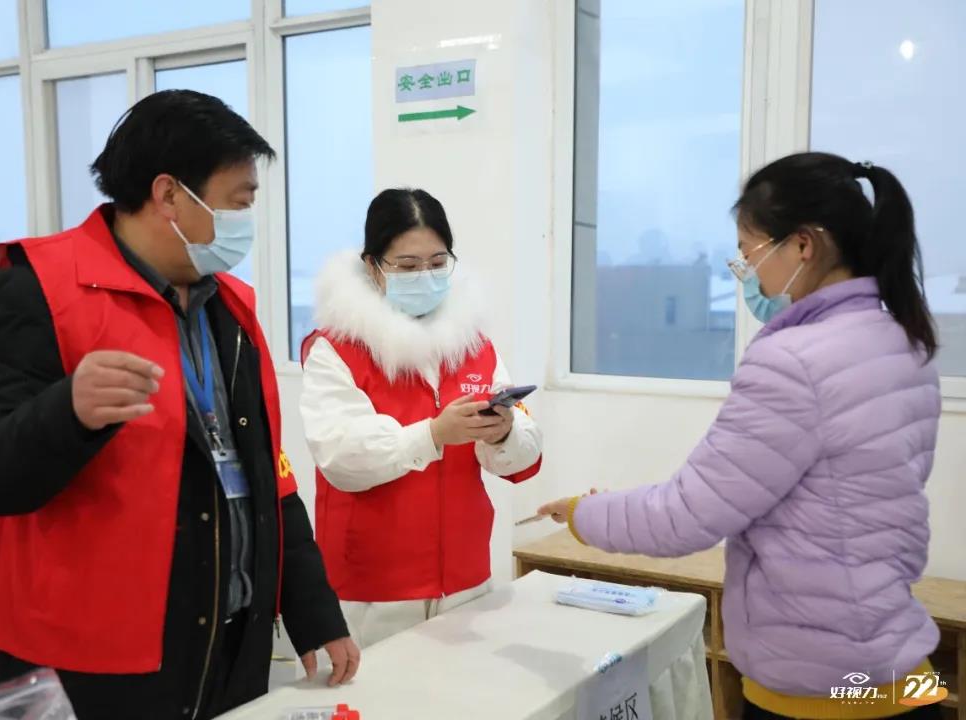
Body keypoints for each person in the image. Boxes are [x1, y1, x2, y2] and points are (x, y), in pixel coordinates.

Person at [0, 90, 358, 720]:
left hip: (225, 639)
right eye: (239, 199)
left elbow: (267, 473)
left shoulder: (232, 307)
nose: (248, 217)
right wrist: (68, 413)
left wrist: (312, 610)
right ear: (170, 195)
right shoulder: (41, 287)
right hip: (83, 666)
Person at [540, 152, 942, 720]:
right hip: (899, 676)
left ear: (803, 245)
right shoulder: (905, 342)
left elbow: (687, 515)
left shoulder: (793, 360)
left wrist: (584, 513)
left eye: (750, 251)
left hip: (824, 692)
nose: (748, 271)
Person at [298, 188, 544, 648]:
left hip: (465, 580)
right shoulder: (338, 348)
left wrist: (504, 432)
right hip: (373, 590)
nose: (425, 276)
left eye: (436, 263)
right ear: (372, 267)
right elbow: (343, 457)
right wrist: (433, 435)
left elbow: (521, 456)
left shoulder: (472, 345)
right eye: (407, 267)